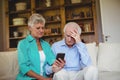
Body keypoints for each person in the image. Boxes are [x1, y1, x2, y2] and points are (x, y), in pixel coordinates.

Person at [16, 13, 56, 80]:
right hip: (28, 78)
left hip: (45, 78)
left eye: (43, 28)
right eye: (38, 28)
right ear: (30, 28)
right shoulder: (23, 44)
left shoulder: (46, 45)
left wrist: (58, 63)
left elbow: (52, 60)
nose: (41, 30)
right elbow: (24, 67)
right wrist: (41, 78)